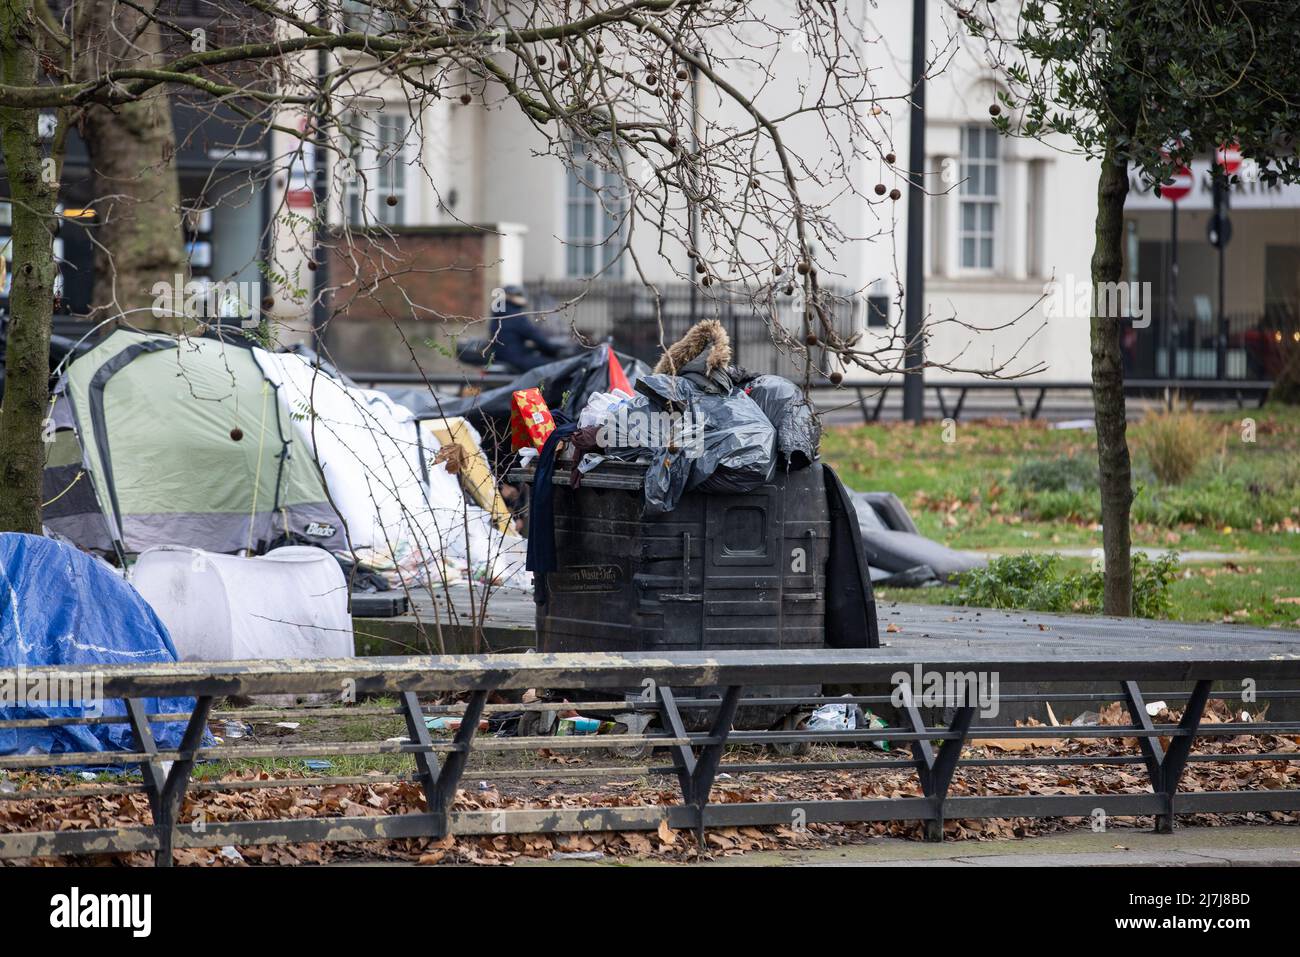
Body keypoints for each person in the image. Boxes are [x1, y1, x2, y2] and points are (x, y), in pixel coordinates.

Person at [488, 285, 560, 372]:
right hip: (515, 359)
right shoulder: (515, 316)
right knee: (556, 365)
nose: (523, 298)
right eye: (520, 295)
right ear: (511, 297)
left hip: (502, 357)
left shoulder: (498, 314)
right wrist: (554, 349)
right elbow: (535, 336)